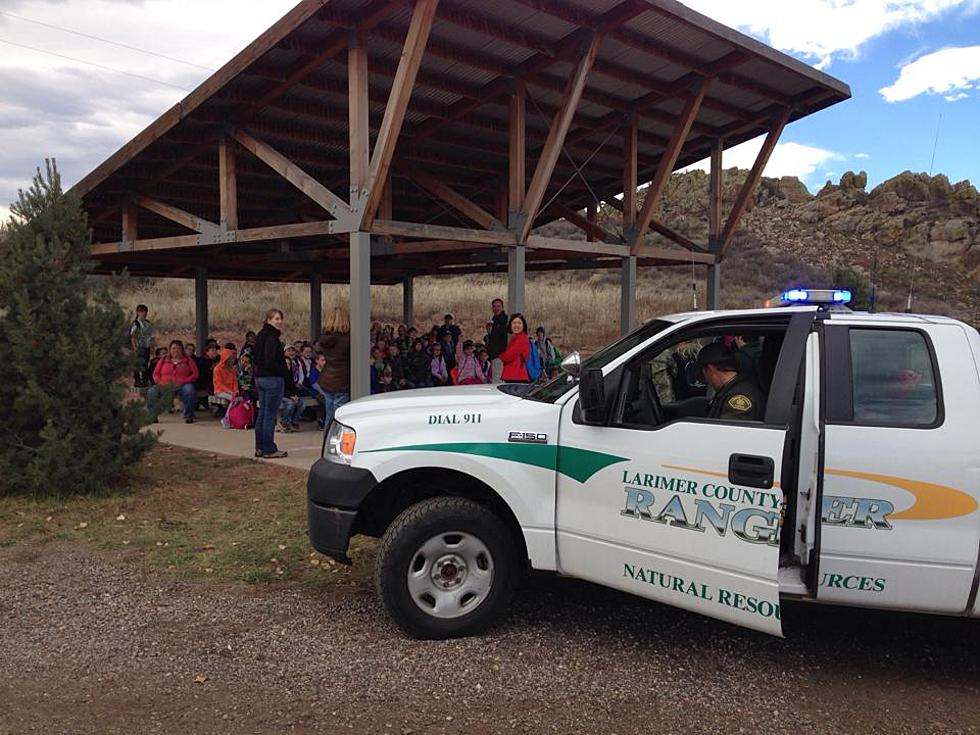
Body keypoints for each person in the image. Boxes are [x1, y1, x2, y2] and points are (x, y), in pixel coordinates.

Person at [252, 309, 291, 459]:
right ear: (268, 320)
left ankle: (260, 446)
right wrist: (283, 371)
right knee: (269, 415)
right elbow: (269, 360)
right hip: (272, 378)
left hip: (260, 378)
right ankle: (269, 448)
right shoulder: (272, 337)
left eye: (280, 318)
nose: (279, 321)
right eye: (275, 319)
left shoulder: (261, 335)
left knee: (263, 413)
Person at [697, 342, 766, 421]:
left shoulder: (740, 396)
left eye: (704, 373)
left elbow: (727, 431)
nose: (707, 380)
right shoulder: (735, 388)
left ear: (710, 370)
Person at [145, 340, 199, 424]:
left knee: (190, 390)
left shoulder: (188, 360)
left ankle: (189, 415)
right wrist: (159, 382)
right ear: (170, 350)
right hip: (164, 385)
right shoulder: (163, 360)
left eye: (178, 348)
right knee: (151, 392)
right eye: (173, 348)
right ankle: (153, 416)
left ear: (182, 350)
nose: (176, 350)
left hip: (182, 384)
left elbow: (195, 373)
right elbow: (156, 373)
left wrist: (186, 381)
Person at [316, 306, 352, 430]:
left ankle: (327, 440)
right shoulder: (348, 339)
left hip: (327, 378)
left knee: (329, 414)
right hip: (342, 379)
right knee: (340, 417)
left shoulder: (324, 339)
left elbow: (318, 350)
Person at [498, 313, 531, 383]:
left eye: (519, 323)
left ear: (523, 325)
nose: (516, 325)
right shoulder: (516, 337)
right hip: (515, 375)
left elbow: (508, 356)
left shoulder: (521, 338)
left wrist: (501, 355)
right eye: (514, 323)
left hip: (516, 376)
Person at [211, 342, 238, 425]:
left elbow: (235, 382)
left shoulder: (232, 369)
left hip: (231, 391)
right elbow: (219, 384)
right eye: (229, 358)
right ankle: (226, 419)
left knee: (239, 399)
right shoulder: (217, 369)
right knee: (234, 400)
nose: (231, 360)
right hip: (220, 391)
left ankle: (232, 418)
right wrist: (231, 392)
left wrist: (236, 391)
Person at [279, 345, 303, 432]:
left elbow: (293, 387)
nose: (288, 366)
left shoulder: (290, 374)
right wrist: (291, 396)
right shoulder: (279, 375)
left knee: (301, 404)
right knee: (290, 403)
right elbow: (281, 390)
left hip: (289, 395)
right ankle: (284, 422)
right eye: (286, 364)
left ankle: (294, 421)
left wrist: (295, 395)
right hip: (281, 395)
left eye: (289, 364)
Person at [129, 304, 153, 388]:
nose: (144, 313)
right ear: (138, 312)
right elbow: (132, 337)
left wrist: (151, 345)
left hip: (146, 346)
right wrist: (135, 348)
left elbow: (150, 335)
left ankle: (145, 380)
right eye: (141, 311)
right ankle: (137, 380)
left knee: (145, 364)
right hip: (139, 347)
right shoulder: (135, 324)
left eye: (145, 311)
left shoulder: (148, 323)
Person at [487, 298, 509, 383]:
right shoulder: (494, 321)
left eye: (498, 306)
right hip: (494, 357)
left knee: (497, 381)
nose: (496, 308)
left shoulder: (504, 321)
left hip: (499, 356)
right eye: (494, 306)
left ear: (502, 307)